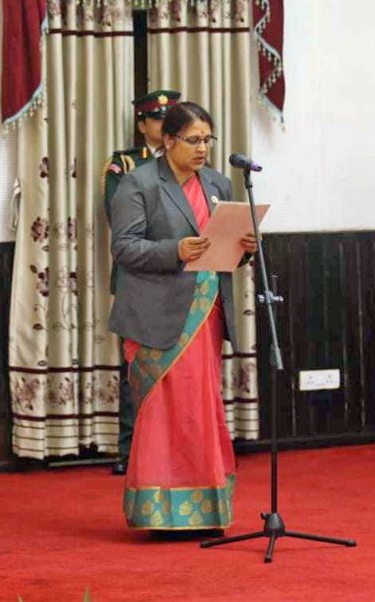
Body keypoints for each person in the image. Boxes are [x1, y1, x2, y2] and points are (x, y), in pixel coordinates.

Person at [108, 101, 257, 532]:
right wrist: (173, 250)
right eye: (193, 140)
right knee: (163, 410)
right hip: (157, 312)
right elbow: (124, 247)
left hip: (206, 312)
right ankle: (158, 513)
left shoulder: (218, 183)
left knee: (200, 407)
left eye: (207, 140)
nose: (202, 149)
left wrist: (244, 248)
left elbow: (224, 252)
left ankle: (206, 510)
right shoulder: (137, 183)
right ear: (168, 140)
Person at [102, 89, 181, 476]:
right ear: (142, 125)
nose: (164, 126)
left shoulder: (193, 170)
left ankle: (177, 447)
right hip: (139, 273)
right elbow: (120, 221)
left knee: (180, 367)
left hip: (185, 275)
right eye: (157, 119)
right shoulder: (126, 166)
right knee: (136, 365)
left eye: (171, 120)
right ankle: (129, 449)